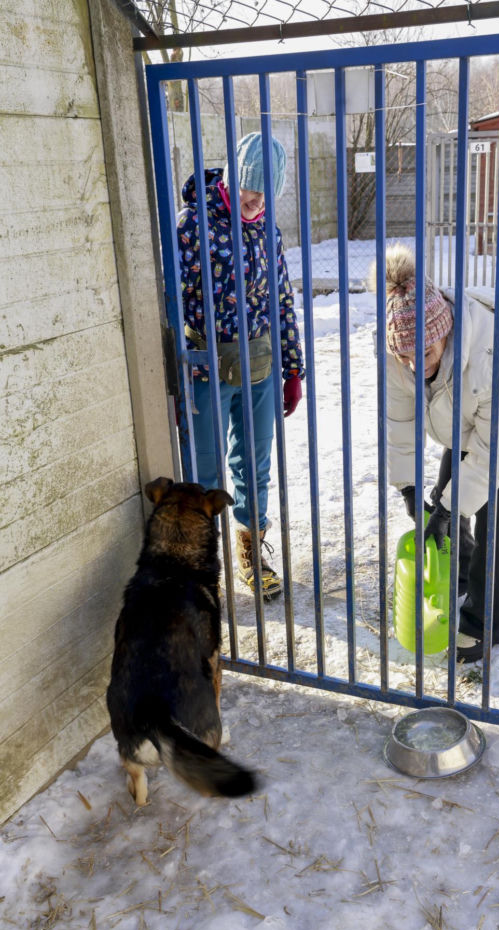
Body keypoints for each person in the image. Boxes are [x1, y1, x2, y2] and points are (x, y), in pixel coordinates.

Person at [370, 244, 499, 663]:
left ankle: (487, 622)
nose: (414, 365)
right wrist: (407, 486)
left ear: (445, 331)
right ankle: (458, 574)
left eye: (423, 353)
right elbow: (400, 421)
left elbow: (496, 450)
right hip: (465, 411)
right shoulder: (398, 349)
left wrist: (449, 507)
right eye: (404, 356)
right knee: (445, 495)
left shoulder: (497, 353)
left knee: (492, 511)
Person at [177, 132, 304, 600]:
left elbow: (282, 302)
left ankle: (251, 551)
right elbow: (169, 304)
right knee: (205, 472)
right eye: (249, 191)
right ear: (231, 180)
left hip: (260, 364)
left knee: (255, 462)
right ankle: (201, 562)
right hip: (206, 369)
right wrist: (176, 375)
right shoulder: (191, 226)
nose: (255, 202)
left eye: (265, 194)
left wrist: (293, 368)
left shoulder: (267, 230)